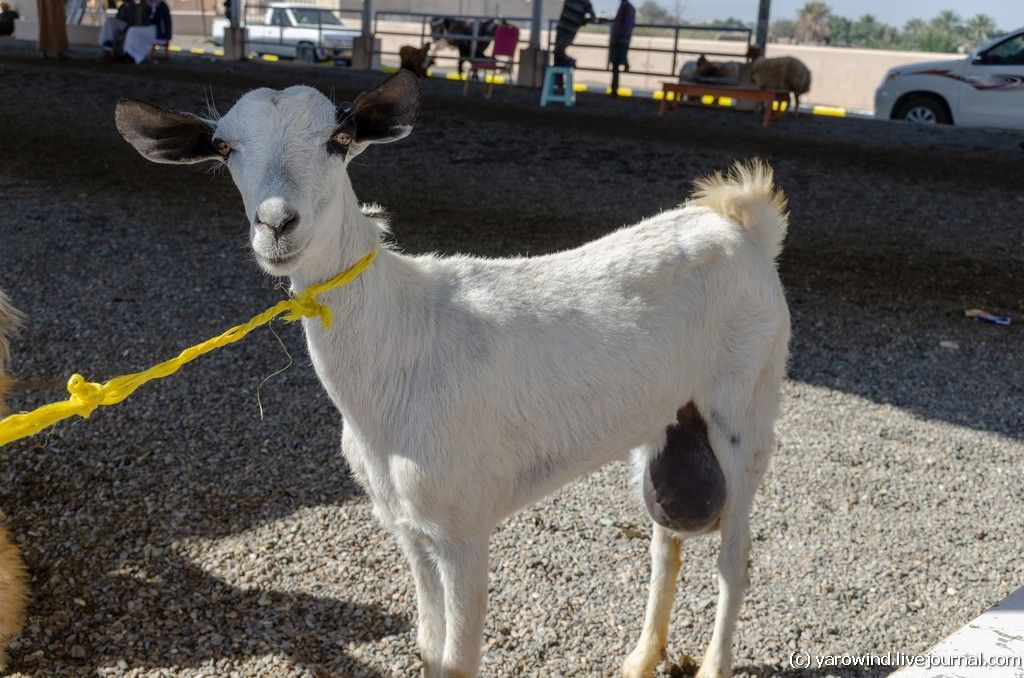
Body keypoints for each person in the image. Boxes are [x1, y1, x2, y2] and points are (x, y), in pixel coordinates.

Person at [552, 0, 597, 91]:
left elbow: (593, 17)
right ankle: (558, 83)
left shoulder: (585, 2)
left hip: (570, 31)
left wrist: (581, 22)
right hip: (561, 28)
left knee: (558, 51)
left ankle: (570, 62)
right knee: (557, 55)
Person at [608, 0, 634, 96]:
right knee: (616, 64)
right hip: (620, 40)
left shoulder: (626, 8)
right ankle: (614, 89)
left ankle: (614, 89)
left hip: (620, 40)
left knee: (615, 63)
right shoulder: (626, 7)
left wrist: (618, 37)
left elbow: (626, 25)